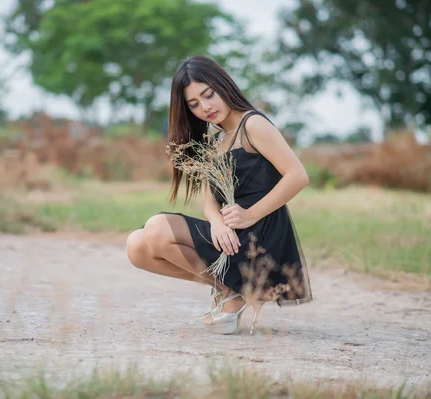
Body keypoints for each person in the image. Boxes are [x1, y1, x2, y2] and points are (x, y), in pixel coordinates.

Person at [126, 55, 312, 335]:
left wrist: (250, 215)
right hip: (230, 235)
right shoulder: (215, 140)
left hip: (258, 236)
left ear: (222, 84)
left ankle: (234, 292)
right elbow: (209, 200)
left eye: (208, 95)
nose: (206, 107)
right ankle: (230, 288)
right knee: (136, 247)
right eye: (194, 104)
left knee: (155, 228)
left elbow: (298, 175)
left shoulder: (252, 125)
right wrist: (216, 222)